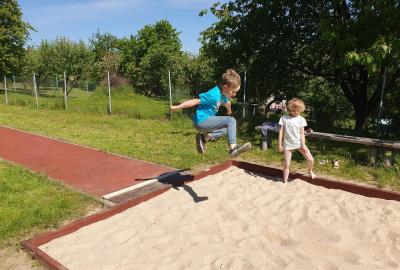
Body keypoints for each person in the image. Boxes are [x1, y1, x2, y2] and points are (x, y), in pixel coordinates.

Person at [170, 69, 251, 157]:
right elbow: (195, 101)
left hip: (205, 122)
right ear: (225, 87)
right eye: (234, 91)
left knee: (229, 129)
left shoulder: (223, 95)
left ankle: (204, 138)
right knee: (231, 121)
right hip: (201, 121)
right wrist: (177, 107)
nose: (235, 94)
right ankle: (233, 149)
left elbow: (227, 103)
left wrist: (229, 111)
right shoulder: (213, 95)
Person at [278, 98, 315, 183]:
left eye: (298, 110)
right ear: (290, 109)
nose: (296, 112)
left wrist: (303, 145)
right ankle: (285, 180)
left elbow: (302, 133)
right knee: (287, 163)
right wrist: (280, 144)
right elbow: (281, 132)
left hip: (299, 143)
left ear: (300, 110)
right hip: (288, 144)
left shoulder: (301, 119)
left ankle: (310, 171)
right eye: (294, 110)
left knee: (310, 159)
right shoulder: (284, 118)